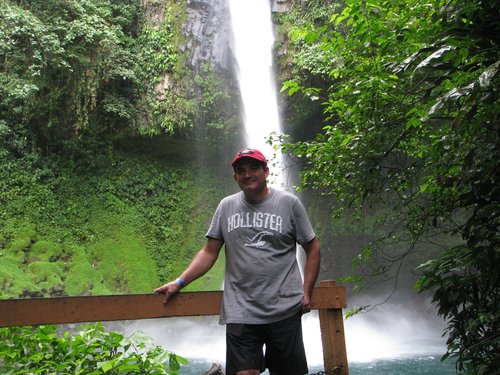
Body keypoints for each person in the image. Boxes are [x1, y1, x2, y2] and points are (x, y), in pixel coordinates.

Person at [155, 147, 321, 375]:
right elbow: (209, 252)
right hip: (241, 310)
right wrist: (180, 282)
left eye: (254, 168)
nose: (248, 174)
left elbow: (312, 247)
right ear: (235, 177)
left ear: (266, 171)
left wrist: (307, 291)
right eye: (241, 170)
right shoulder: (226, 206)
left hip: (284, 308)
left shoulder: (289, 204)